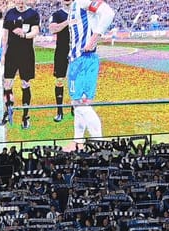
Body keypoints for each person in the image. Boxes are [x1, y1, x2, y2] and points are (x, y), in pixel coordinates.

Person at [66, 0, 116, 148]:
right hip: (82, 60)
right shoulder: (74, 6)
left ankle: (99, 143)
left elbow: (108, 13)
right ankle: (78, 141)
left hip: (82, 60)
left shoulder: (82, 1)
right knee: (80, 103)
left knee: (79, 104)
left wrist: (94, 38)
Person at [2, 6, 42, 128]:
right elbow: (5, 35)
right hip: (11, 53)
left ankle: (25, 116)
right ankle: (8, 110)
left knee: (25, 83)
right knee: (7, 83)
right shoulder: (9, 13)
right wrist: (3, 54)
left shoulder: (32, 14)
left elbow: (35, 31)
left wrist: (24, 34)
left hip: (26, 54)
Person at [49, 8, 72, 121]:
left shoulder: (80, 11)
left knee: (76, 80)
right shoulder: (57, 14)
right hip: (61, 51)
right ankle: (59, 111)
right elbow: (52, 29)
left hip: (76, 51)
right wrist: (68, 21)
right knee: (59, 80)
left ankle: (75, 107)